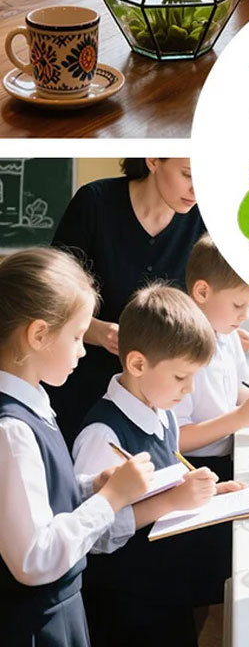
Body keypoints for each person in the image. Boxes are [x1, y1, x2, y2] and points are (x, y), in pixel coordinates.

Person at [73, 284, 243, 647]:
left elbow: (165, 481)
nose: (190, 389)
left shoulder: (161, 411)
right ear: (137, 363)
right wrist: (171, 502)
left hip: (163, 586)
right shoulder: (103, 436)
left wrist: (210, 496)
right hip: (125, 603)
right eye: (181, 377)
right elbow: (91, 534)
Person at [0, 248, 153, 647]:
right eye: (76, 336)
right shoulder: (12, 431)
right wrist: (111, 500)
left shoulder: (32, 403)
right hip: (34, 622)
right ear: (37, 334)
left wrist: (87, 488)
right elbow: (34, 558)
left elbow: (33, 501)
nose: (84, 350)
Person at [49, 158, 206, 447]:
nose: (197, 191)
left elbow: (201, 296)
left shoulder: (203, 218)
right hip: (80, 380)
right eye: (187, 175)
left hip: (150, 394)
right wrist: (97, 332)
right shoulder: (95, 203)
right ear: (153, 160)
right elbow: (54, 297)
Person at [175, 234, 249, 482]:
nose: (244, 316)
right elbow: (178, 439)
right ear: (202, 292)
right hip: (193, 470)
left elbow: (233, 390)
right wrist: (241, 417)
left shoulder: (227, 335)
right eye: (237, 305)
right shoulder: (179, 351)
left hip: (226, 456)